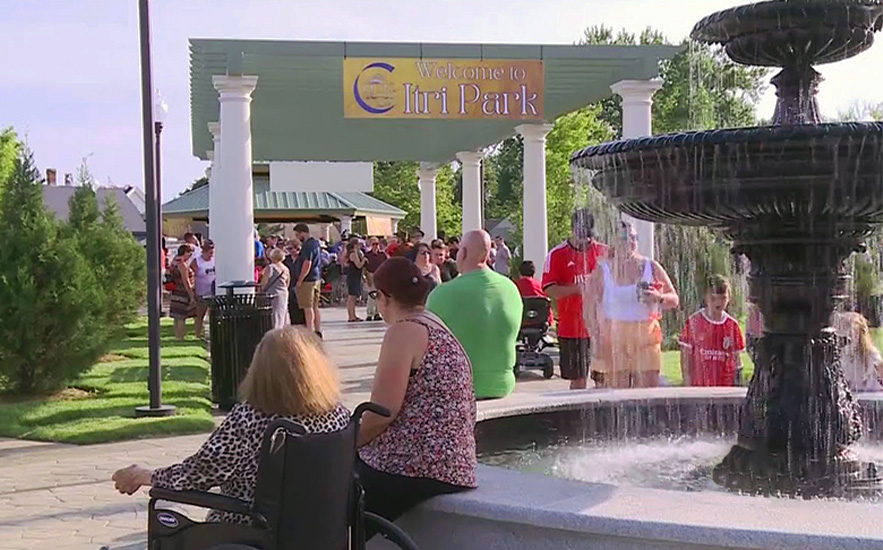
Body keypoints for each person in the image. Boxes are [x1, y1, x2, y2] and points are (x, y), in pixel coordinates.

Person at [112, 328, 350, 523]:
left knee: (170, 527)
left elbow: (198, 473)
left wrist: (144, 476)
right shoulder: (339, 416)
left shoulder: (251, 419)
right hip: (321, 531)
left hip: (252, 530)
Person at [358, 258, 476, 533]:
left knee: (328, 498)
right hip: (456, 464)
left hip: (415, 466)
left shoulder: (403, 331)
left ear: (384, 297)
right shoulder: (436, 325)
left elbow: (381, 413)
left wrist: (345, 442)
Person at [426, 230, 522, 399]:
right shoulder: (511, 289)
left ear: (462, 253)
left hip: (459, 387)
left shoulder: (442, 294)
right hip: (502, 385)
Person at [587, 221, 679, 388]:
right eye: (624, 237)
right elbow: (589, 307)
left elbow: (674, 299)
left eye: (633, 237)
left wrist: (658, 297)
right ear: (614, 241)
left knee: (647, 394)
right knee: (616, 396)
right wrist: (595, 335)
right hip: (614, 337)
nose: (629, 241)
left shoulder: (651, 266)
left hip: (646, 335)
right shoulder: (602, 269)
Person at [542, 209, 608, 390]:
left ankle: (601, 416)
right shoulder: (557, 254)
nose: (586, 242)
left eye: (589, 237)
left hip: (601, 328)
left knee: (604, 380)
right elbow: (549, 290)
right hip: (572, 328)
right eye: (581, 236)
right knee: (578, 380)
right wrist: (577, 289)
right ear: (572, 230)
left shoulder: (604, 252)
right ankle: (578, 417)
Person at [679, 275, 745, 387]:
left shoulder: (732, 325)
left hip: (724, 387)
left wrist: (738, 383)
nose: (718, 303)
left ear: (729, 298)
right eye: (713, 298)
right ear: (706, 297)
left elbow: (737, 359)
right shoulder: (694, 322)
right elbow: (685, 357)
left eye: (723, 298)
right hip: (699, 386)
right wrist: (687, 383)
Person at [833, 311, 883, 392]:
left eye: (851, 331)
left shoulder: (871, 354)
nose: (846, 335)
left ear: (860, 333)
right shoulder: (839, 354)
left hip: (869, 394)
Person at [292, 223, 323, 338]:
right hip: (316, 278)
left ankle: (309, 332)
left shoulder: (307, 246)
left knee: (307, 307)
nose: (297, 238)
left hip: (308, 280)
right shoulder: (316, 243)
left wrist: (300, 279)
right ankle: (318, 330)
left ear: (302, 233)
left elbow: (307, 263)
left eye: (297, 234)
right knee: (315, 306)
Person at [169, 244, 197, 340]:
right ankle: (180, 337)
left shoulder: (174, 262)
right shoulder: (182, 265)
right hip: (182, 292)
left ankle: (177, 336)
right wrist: (191, 296)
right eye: (190, 253)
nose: (190, 255)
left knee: (176, 317)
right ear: (185, 252)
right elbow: (186, 281)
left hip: (175, 291)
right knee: (181, 317)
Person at [515, 260, 554, 326]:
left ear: (520, 272)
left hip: (521, 322)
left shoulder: (515, 286)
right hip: (540, 322)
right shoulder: (540, 286)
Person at [191, 239, 216, 339]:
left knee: (213, 316)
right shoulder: (197, 261)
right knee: (200, 315)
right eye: (210, 253)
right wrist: (193, 291)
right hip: (201, 292)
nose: (211, 255)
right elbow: (192, 276)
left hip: (212, 292)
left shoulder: (214, 261)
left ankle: (212, 334)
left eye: (212, 253)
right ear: (204, 251)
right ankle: (198, 335)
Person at [260, 248, 291, 330]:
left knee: (275, 315)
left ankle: (275, 332)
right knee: (283, 313)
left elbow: (264, 282)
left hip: (273, 293)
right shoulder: (286, 269)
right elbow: (287, 283)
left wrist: (261, 290)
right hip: (283, 293)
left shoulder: (270, 267)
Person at [365, 237, 388, 321]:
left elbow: (387, 264)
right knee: (371, 295)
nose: (375, 246)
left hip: (380, 275)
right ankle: (369, 313)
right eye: (373, 244)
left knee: (380, 295)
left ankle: (377, 313)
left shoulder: (382, 255)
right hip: (371, 274)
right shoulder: (368, 255)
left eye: (377, 244)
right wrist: (366, 277)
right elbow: (365, 267)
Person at [345, 237, 366, 322]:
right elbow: (358, 265)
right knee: (352, 297)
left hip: (356, 276)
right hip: (353, 276)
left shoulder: (358, 253)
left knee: (354, 297)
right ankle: (351, 316)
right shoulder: (353, 254)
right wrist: (364, 260)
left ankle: (353, 314)